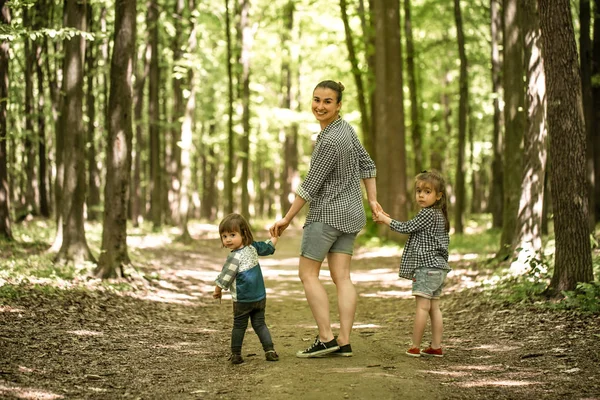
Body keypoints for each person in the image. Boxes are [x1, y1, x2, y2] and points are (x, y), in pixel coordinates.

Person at [269, 80, 383, 358]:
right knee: (342, 277)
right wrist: (372, 201)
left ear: (339, 105)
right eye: (316, 100)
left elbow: (311, 186)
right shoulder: (346, 130)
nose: (320, 106)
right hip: (352, 214)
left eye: (327, 101)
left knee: (307, 274)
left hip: (327, 215)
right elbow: (368, 164)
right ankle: (344, 341)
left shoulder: (329, 140)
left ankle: (326, 337)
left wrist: (286, 219)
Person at [373, 170, 450, 357]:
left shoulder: (427, 214)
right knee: (434, 307)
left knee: (422, 307)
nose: (421, 195)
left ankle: (415, 346)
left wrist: (384, 219)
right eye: (419, 191)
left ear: (439, 196)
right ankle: (436, 346)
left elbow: (406, 227)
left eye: (428, 191)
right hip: (439, 268)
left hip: (426, 267)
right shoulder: (440, 215)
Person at [213, 213, 280, 364]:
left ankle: (236, 354)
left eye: (232, 234)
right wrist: (275, 237)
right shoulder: (253, 247)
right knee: (260, 324)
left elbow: (226, 276)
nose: (228, 239)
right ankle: (269, 350)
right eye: (224, 236)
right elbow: (267, 247)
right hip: (259, 297)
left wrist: (217, 290)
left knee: (239, 326)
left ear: (243, 234)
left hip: (243, 300)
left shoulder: (234, 257)